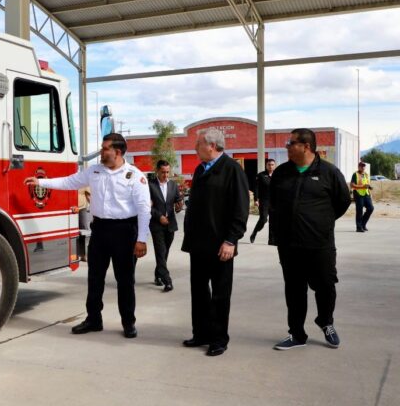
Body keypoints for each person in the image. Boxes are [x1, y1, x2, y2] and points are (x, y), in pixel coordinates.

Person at [25, 133, 151, 338]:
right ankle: (94, 319)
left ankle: (128, 322)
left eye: (105, 148)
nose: (101, 152)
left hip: (125, 232)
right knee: (95, 278)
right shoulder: (94, 171)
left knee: (125, 281)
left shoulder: (135, 176)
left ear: (117, 152)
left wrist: (142, 239)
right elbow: (69, 182)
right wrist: (42, 183)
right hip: (100, 230)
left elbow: (144, 209)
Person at [270, 128, 351, 350]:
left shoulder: (329, 172)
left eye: (291, 143)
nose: (287, 146)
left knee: (325, 286)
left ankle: (326, 322)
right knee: (294, 290)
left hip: (320, 244)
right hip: (290, 245)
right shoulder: (282, 173)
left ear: (306, 146)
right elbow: (274, 203)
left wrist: (321, 221)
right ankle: (296, 334)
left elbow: (343, 202)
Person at [181, 128, 249, 356]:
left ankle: (219, 339)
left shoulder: (232, 170)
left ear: (211, 146)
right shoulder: (201, 169)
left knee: (220, 294)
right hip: (198, 245)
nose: (195, 148)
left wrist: (231, 240)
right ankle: (201, 333)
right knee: (199, 292)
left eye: (198, 144)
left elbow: (240, 209)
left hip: (221, 246)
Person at [148, 160, 183, 292]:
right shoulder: (150, 186)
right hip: (157, 225)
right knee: (160, 252)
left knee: (165, 252)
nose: (166, 175)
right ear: (157, 171)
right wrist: (159, 216)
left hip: (171, 224)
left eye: (168, 172)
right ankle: (167, 281)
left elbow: (177, 200)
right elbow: (147, 206)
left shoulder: (173, 185)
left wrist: (179, 206)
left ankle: (158, 275)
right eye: (163, 172)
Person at [249, 159, 276, 244]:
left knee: (273, 221)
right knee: (263, 219)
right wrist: (256, 199)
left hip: (275, 201)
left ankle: (271, 240)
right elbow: (256, 188)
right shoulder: (260, 175)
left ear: (275, 166)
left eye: (272, 164)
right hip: (264, 201)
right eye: (269, 164)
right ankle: (254, 233)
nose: (270, 166)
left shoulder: (278, 175)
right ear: (266, 165)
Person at [350, 161, 374, 232]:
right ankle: (359, 227)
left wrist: (369, 188)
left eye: (364, 166)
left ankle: (363, 224)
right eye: (361, 166)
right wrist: (362, 187)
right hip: (358, 194)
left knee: (371, 208)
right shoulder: (355, 174)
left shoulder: (366, 174)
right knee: (359, 211)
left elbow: (366, 184)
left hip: (366, 194)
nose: (363, 167)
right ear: (359, 167)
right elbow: (352, 185)